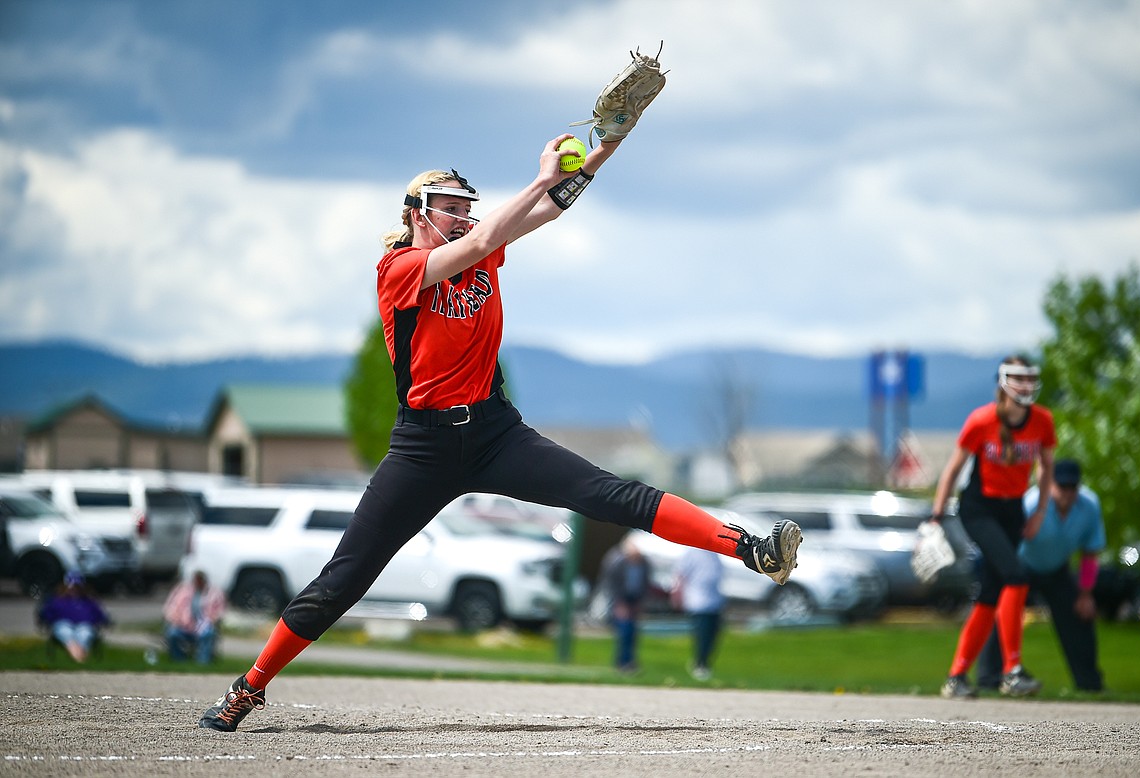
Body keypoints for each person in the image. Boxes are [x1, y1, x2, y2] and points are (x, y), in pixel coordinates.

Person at [197, 50, 802, 732]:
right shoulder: (399, 268)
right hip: (423, 445)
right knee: (347, 577)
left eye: (463, 207)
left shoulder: (481, 247)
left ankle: (752, 548)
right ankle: (250, 686)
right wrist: (538, 179)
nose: (459, 217)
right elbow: (498, 226)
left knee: (613, 495)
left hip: (492, 430)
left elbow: (546, 207)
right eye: (446, 207)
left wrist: (607, 146)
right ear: (415, 213)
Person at [930, 354, 1056, 699]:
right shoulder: (982, 420)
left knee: (989, 593)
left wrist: (1040, 511)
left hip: (1013, 510)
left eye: (1030, 378)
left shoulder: (1042, 420)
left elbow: (1046, 468)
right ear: (1002, 381)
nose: (1026, 385)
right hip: (979, 508)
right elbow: (954, 469)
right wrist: (936, 514)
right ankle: (1012, 671)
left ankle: (956, 677)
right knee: (1016, 576)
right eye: (1018, 377)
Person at [975, 459, 1106, 692]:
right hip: (1022, 566)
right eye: (1061, 486)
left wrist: (1085, 594)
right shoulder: (1031, 503)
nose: (1066, 493)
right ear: (1050, 484)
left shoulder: (1089, 506)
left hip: (1057, 569)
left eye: (1071, 487)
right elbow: (1006, 542)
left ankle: (1089, 683)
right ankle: (990, 678)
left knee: (1080, 616)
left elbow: (1090, 552)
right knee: (1004, 613)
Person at [599, 535, 653, 674]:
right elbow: (613, 585)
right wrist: (619, 604)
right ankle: (623, 662)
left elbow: (645, 584)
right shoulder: (617, 562)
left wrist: (640, 603)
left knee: (633, 632)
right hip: (620, 600)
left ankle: (630, 662)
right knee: (624, 631)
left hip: (635, 599)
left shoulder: (644, 563)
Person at [673, 545, 725, 681]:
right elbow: (681, 574)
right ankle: (699, 663)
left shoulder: (713, 552)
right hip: (698, 600)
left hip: (714, 600)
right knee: (702, 634)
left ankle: (705, 662)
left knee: (713, 634)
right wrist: (678, 595)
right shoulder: (691, 551)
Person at [37, 571, 110, 663]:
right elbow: (46, 615)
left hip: (84, 626)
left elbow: (100, 616)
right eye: (72, 586)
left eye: (77, 586)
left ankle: (77, 658)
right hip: (63, 625)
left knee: (85, 633)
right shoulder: (57, 600)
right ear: (65, 586)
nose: (74, 589)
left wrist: (105, 621)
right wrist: (45, 620)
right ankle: (79, 658)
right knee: (65, 631)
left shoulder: (88, 601)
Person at [163, 570, 226, 664]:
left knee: (209, 633)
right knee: (173, 633)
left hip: (204, 626)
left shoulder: (213, 593)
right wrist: (175, 618)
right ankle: (179, 660)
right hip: (184, 625)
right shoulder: (183, 592)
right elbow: (170, 608)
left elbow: (220, 611)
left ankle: (203, 661)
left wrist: (213, 620)